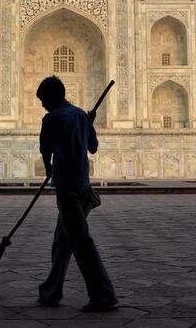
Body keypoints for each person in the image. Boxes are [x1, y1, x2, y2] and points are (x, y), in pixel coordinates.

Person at [36, 75, 118, 312]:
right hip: (83, 187)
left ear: (52, 96)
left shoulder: (52, 118)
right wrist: (88, 123)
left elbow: (45, 151)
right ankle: (50, 292)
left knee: (82, 244)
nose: (42, 104)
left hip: (67, 190)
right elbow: (93, 147)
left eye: (43, 99)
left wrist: (49, 168)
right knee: (62, 243)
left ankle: (104, 295)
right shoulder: (80, 114)